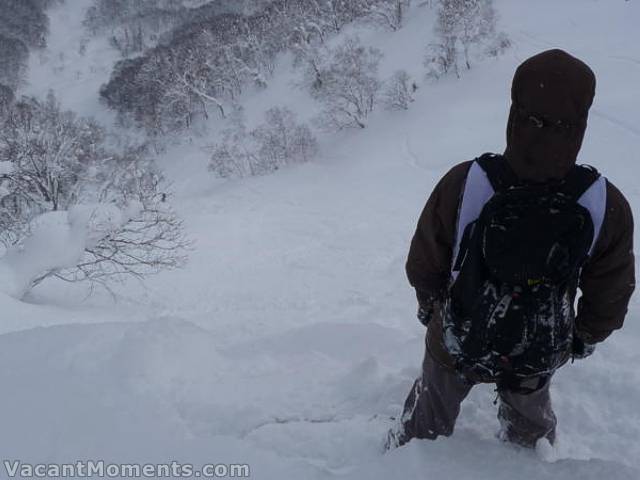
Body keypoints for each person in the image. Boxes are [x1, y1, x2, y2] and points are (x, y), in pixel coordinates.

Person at [387, 49, 635, 450]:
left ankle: (409, 452)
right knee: (530, 420)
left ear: (515, 110)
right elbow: (611, 286)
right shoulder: (603, 202)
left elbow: (426, 258)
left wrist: (430, 305)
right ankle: (525, 458)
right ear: (582, 121)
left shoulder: (467, 181)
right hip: (538, 346)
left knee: (432, 406)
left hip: (457, 334)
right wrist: (585, 335)